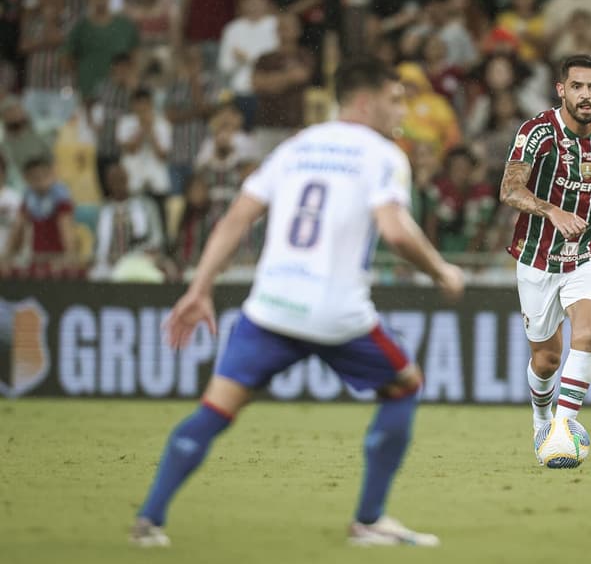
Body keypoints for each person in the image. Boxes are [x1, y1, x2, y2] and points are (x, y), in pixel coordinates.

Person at [130, 56, 464, 547]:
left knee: (215, 409)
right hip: (336, 314)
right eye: (396, 100)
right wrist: (442, 271)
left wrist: (198, 288)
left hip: (271, 307)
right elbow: (394, 229)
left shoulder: (296, 147)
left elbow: (234, 220)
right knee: (404, 385)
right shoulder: (383, 154)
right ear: (366, 100)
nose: (402, 112)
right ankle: (369, 520)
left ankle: (150, 520)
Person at [498, 54, 591, 459]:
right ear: (562, 90)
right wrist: (552, 211)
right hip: (539, 257)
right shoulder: (537, 133)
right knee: (546, 359)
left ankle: (561, 428)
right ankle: (542, 419)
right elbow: (508, 190)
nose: (586, 95)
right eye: (577, 87)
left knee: (587, 333)